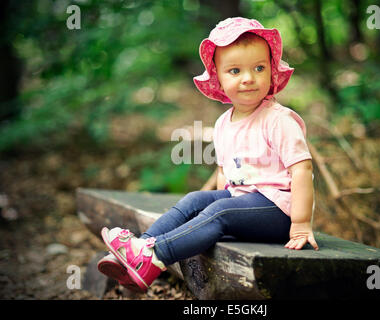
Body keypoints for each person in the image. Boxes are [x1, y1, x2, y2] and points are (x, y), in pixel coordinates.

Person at [97, 17, 318, 293]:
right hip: (244, 203)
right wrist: (212, 201)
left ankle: (155, 257)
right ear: (220, 79)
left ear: (271, 72)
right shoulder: (225, 123)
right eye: (235, 70)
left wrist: (299, 224)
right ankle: (139, 249)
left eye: (259, 68)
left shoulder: (278, 119)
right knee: (196, 200)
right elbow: (225, 174)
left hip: (279, 211)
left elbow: (302, 170)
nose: (248, 78)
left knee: (219, 210)